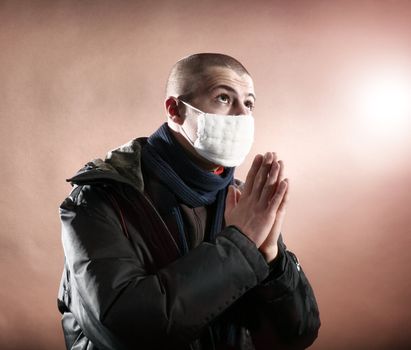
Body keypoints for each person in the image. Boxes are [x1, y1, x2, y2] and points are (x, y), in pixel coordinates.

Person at [57, 53, 320, 350]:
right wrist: (240, 246)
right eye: (223, 98)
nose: (242, 115)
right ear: (175, 110)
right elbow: (125, 331)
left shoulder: (243, 201)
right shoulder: (99, 199)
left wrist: (273, 260)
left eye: (248, 103)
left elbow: (298, 334)